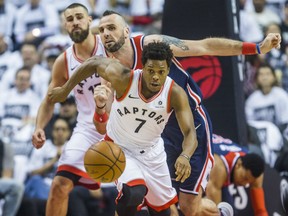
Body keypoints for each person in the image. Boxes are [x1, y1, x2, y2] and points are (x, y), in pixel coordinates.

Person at [46, 10, 281, 216]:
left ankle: (217, 212)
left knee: (190, 207)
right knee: (140, 198)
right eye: (102, 29)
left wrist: (257, 47)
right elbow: (101, 126)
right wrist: (98, 107)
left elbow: (205, 46)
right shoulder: (110, 73)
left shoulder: (153, 45)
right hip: (154, 137)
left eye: (112, 28)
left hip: (191, 125)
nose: (106, 33)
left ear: (126, 31)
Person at [49, 41, 218, 215]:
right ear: (143, 67)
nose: (155, 77)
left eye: (161, 72)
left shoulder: (175, 93)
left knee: (163, 212)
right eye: (150, 70)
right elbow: (93, 63)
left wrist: (185, 155)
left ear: (168, 70)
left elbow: (190, 132)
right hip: (120, 149)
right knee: (133, 193)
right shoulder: (124, 79)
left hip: (152, 153)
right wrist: (64, 89)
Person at [31, 3, 106, 216]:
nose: (75, 22)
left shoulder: (108, 45)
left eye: (79, 17)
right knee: (59, 185)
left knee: (137, 195)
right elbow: (48, 100)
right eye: (70, 19)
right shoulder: (64, 60)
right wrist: (39, 127)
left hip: (122, 124)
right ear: (65, 25)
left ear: (90, 20)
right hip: (88, 129)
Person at [206, 134, 268, 216]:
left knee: (231, 212)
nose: (244, 184)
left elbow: (260, 211)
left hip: (216, 179)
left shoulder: (256, 173)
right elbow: (214, 212)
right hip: (195, 162)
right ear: (238, 164)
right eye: (244, 178)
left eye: (249, 183)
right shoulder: (219, 168)